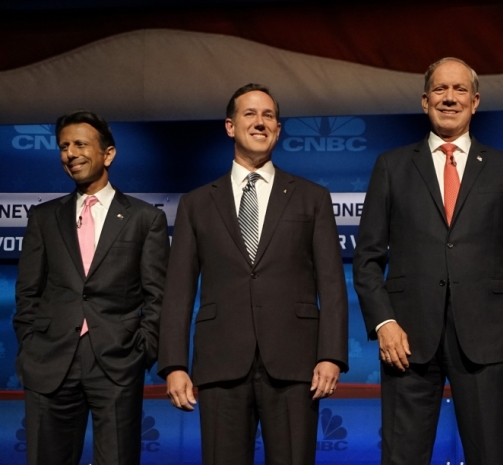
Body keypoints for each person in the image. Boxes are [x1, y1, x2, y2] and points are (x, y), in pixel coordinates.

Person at [353, 57, 503, 464]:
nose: (450, 98)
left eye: (460, 90)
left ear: (475, 102)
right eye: (441, 89)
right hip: (406, 341)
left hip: (485, 339)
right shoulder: (391, 166)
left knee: (490, 455)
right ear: (425, 101)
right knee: (402, 456)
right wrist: (384, 323)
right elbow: (367, 258)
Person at [158, 83, 348, 465]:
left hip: (297, 364)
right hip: (220, 362)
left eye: (269, 116)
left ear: (278, 130)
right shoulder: (196, 203)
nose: (260, 123)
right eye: (250, 114)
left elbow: (331, 282)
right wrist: (175, 364)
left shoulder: (312, 197)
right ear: (230, 126)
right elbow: (178, 289)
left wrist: (331, 356)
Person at [14, 110, 169, 465]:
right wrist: (31, 346)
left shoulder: (145, 219)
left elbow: (157, 296)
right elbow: (27, 294)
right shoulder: (43, 217)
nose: (70, 153)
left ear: (108, 154)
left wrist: (140, 352)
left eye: (80, 144)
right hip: (50, 362)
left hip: (116, 361)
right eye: (64, 146)